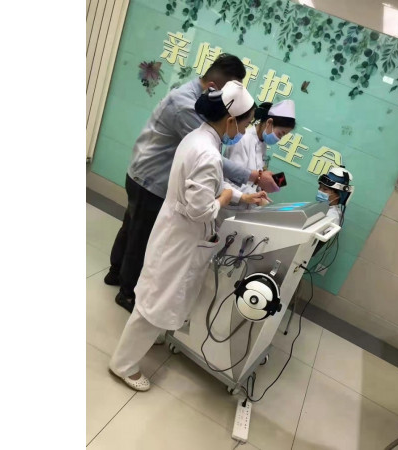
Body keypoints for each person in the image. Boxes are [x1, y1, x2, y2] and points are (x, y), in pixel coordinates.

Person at [108, 81, 268, 391]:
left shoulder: (199, 138)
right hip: (181, 236)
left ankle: (147, 338)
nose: (246, 129)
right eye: (246, 123)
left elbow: (209, 185)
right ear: (230, 120)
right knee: (158, 299)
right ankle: (123, 365)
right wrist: (224, 199)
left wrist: (241, 196)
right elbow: (201, 209)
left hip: (175, 230)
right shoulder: (207, 153)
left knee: (160, 294)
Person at [104, 54, 281, 312]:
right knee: (140, 237)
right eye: (227, 99)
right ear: (213, 88)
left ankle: (116, 272)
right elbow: (212, 168)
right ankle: (128, 292)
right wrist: (247, 180)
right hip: (151, 180)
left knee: (132, 226)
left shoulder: (193, 108)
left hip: (144, 174)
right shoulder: (188, 111)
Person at [216, 100, 296, 226]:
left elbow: (255, 176)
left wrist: (265, 183)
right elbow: (230, 179)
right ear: (269, 123)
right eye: (280, 134)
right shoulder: (243, 139)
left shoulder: (262, 143)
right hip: (229, 209)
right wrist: (257, 197)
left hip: (245, 208)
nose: (279, 139)